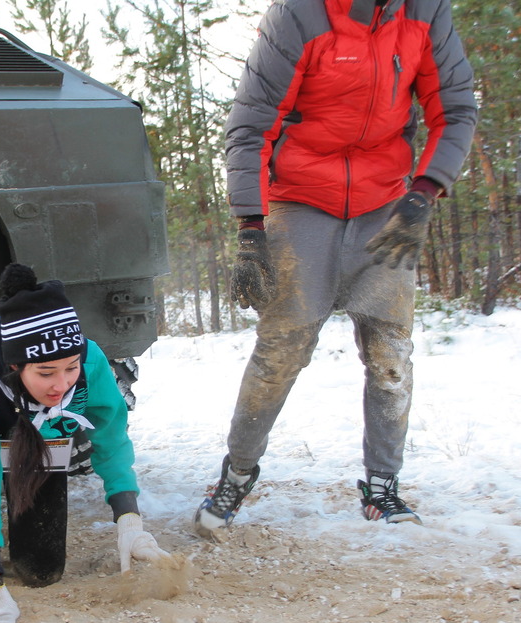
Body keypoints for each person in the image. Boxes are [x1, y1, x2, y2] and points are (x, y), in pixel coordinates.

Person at [194, 0, 478, 536]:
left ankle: (382, 485)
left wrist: (426, 189)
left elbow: (456, 109)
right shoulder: (299, 16)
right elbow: (251, 127)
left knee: (390, 356)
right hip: (300, 199)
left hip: (386, 203)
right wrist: (251, 226)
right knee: (280, 352)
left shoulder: (424, 12)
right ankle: (236, 473)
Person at [0, 263, 169, 623]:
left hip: (40, 425)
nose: (61, 385)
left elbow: (112, 437)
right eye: (45, 373)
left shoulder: (87, 361)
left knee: (41, 571)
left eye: (69, 368)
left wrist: (129, 522)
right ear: (15, 365)